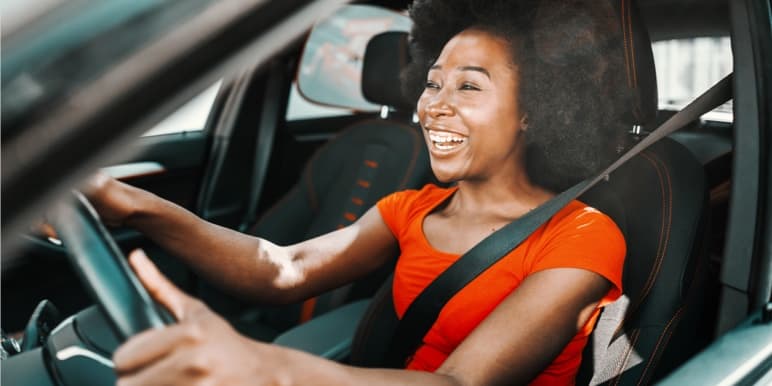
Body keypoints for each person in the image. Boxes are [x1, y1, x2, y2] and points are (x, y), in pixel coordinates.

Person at [88, 0, 630, 384]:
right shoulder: (410, 209)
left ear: (536, 111)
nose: (434, 104)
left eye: (469, 85)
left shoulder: (581, 236)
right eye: (433, 82)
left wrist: (271, 370)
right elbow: (284, 269)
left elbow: (461, 383)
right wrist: (137, 206)